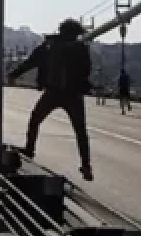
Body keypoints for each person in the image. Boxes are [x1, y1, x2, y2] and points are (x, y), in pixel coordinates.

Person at [7, 19, 94, 181]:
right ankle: (86, 165)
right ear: (76, 34)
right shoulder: (80, 48)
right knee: (80, 131)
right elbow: (87, 70)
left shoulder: (48, 46)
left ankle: (29, 149)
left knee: (35, 120)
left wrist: (14, 74)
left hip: (52, 92)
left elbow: (31, 62)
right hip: (73, 95)